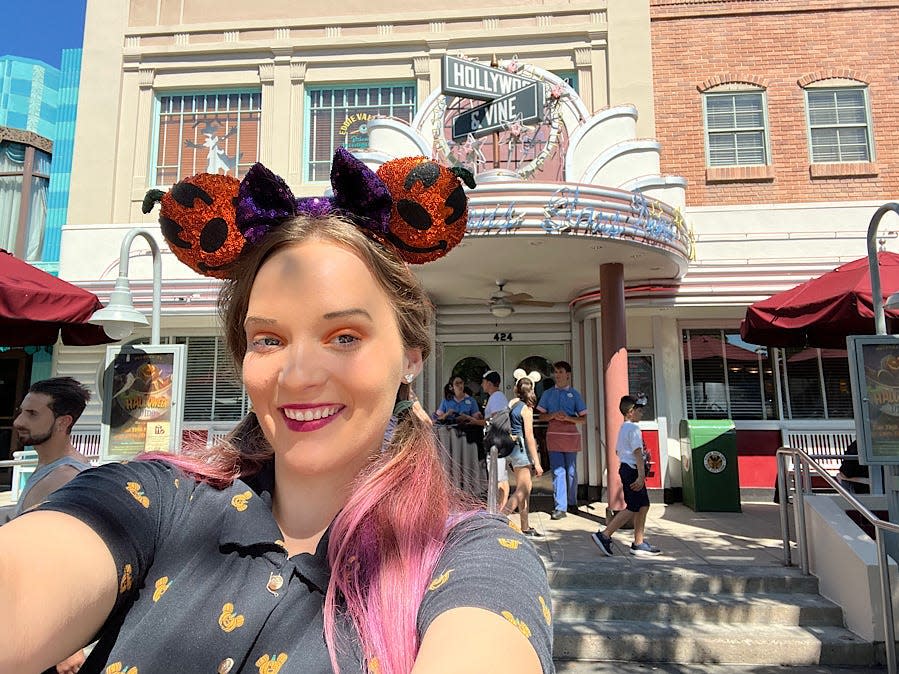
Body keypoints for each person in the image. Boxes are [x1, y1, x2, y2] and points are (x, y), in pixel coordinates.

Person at [0, 151, 553, 673]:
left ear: (410, 357)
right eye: (268, 340)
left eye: (343, 336)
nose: (297, 375)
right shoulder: (156, 500)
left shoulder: (472, 557)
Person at [9, 376, 93, 674]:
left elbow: (61, 566)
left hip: (44, 638)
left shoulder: (64, 478)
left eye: (32, 414)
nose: (19, 420)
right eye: (21, 411)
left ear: (62, 422)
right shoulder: (48, 467)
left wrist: (66, 645)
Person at [591, 395, 662, 557]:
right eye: (639, 410)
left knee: (643, 505)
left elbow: (617, 451)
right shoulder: (634, 429)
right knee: (633, 506)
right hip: (633, 470)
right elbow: (638, 453)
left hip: (625, 468)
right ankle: (605, 535)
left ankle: (638, 542)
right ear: (630, 412)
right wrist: (641, 476)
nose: (641, 413)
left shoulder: (623, 428)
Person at [536, 361, 587, 520]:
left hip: (571, 438)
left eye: (560, 372)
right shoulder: (548, 394)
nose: (557, 375)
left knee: (571, 472)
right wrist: (552, 415)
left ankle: (572, 502)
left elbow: (583, 419)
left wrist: (569, 418)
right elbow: (541, 415)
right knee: (558, 471)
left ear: (568, 375)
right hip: (554, 437)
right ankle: (560, 507)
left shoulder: (575, 394)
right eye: (555, 372)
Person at [502, 372, 545, 537]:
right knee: (523, 489)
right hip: (521, 449)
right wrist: (537, 462)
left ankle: (525, 526)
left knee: (524, 488)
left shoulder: (512, 403)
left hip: (511, 448)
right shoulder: (526, 410)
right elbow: (529, 436)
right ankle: (500, 518)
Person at [471, 370, 510, 510]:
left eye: (483, 382)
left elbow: (494, 420)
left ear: (489, 383)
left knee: (499, 477)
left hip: (497, 441)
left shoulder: (497, 397)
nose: (482, 385)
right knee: (500, 475)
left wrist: (476, 422)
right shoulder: (494, 397)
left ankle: (500, 508)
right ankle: (501, 508)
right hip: (496, 441)